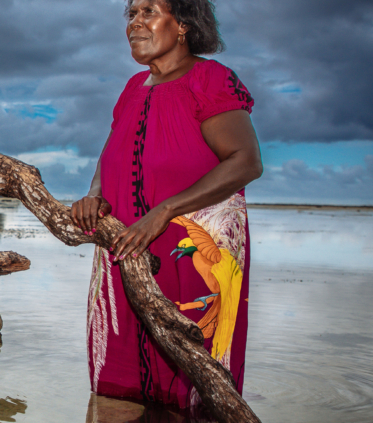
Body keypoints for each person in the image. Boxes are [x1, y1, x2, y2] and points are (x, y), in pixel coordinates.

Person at [70, 0, 263, 410]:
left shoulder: (211, 79)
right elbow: (112, 153)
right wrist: (95, 195)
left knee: (196, 377)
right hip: (126, 246)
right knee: (117, 384)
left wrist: (163, 212)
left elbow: (245, 162)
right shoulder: (131, 89)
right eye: (132, 14)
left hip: (193, 252)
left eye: (149, 12)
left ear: (183, 25)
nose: (135, 23)